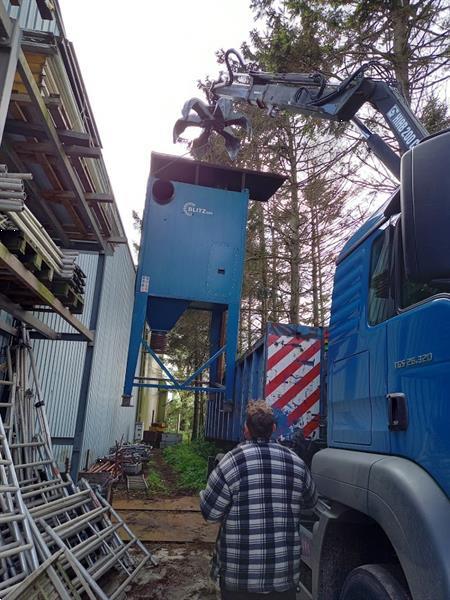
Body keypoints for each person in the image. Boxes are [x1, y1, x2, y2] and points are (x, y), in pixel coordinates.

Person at [200, 400, 317, 600]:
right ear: (273, 428)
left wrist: (204, 495)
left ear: (246, 429)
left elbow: (210, 514)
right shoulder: (296, 463)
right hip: (283, 578)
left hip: (239, 578)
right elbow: (311, 502)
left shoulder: (230, 462)